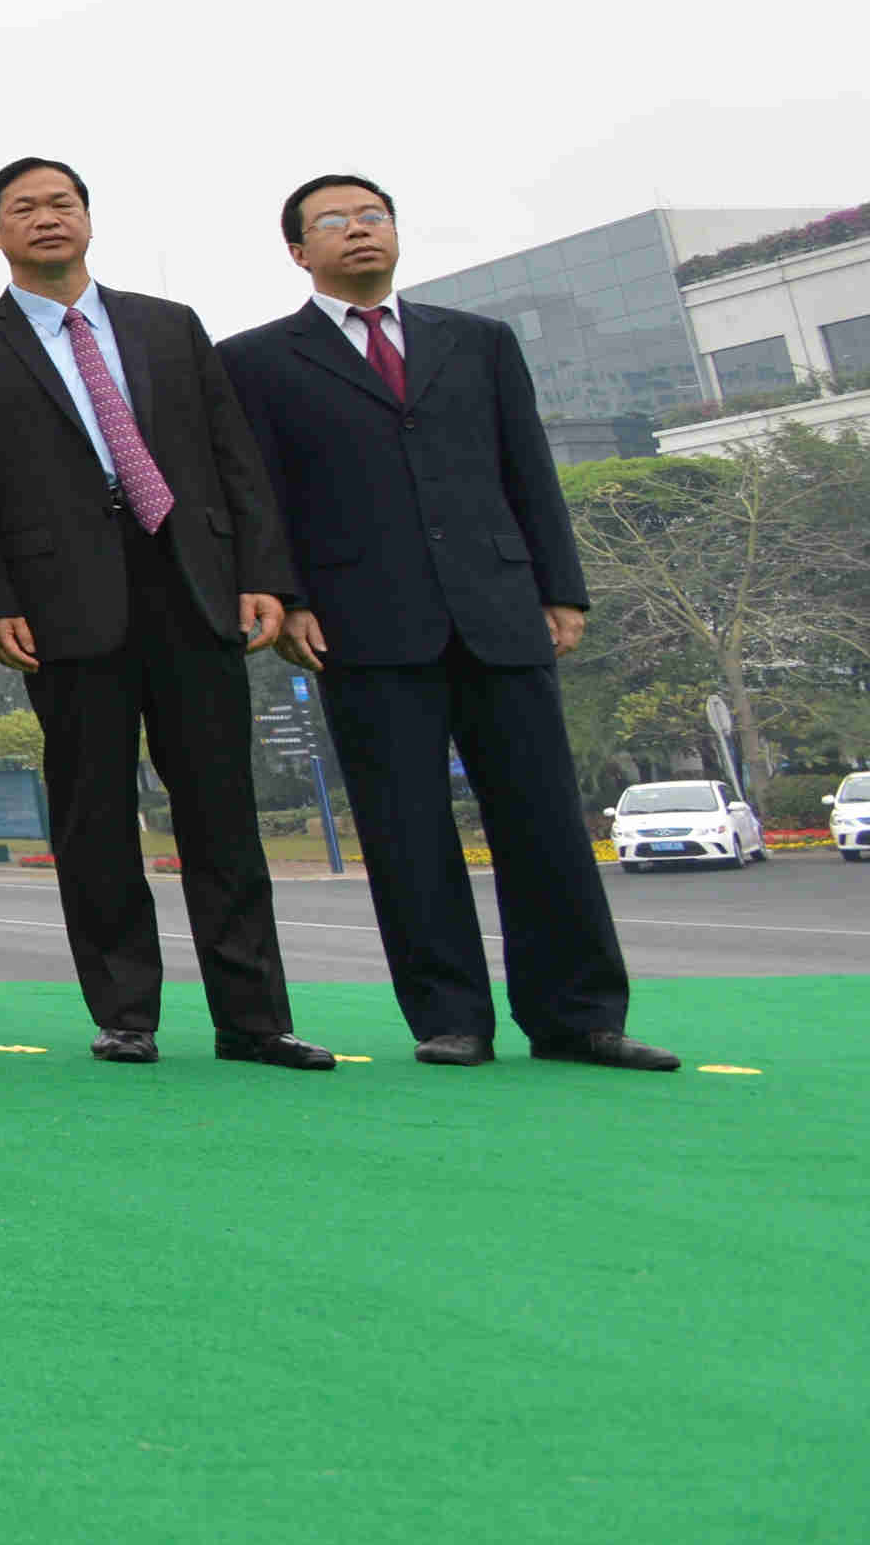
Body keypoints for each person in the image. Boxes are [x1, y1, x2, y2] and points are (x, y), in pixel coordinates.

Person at [220, 175, 670, 1072]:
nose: (360, 231)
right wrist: (286, 597)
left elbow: (528, 467)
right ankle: (450, 1016)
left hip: (499, 612)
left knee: (546, 822)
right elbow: (257, 495)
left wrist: (561, 589)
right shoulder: (256, 360)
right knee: (405, 831)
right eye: (335, 222)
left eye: (373, 216)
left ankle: (579, 1017)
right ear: (299, 251)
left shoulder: (478, 342)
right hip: (360, 624)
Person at [0, 158, 331, 1069]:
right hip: (61, 605)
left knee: (221, 811)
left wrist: (264, 576)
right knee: (93, 815)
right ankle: (125, 1014)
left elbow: (233, 456)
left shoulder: (168, 325)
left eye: (62, 203)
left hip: (191, 583)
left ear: (87, 217)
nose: (47, 218)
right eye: (24, 208)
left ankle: (255, 1020)